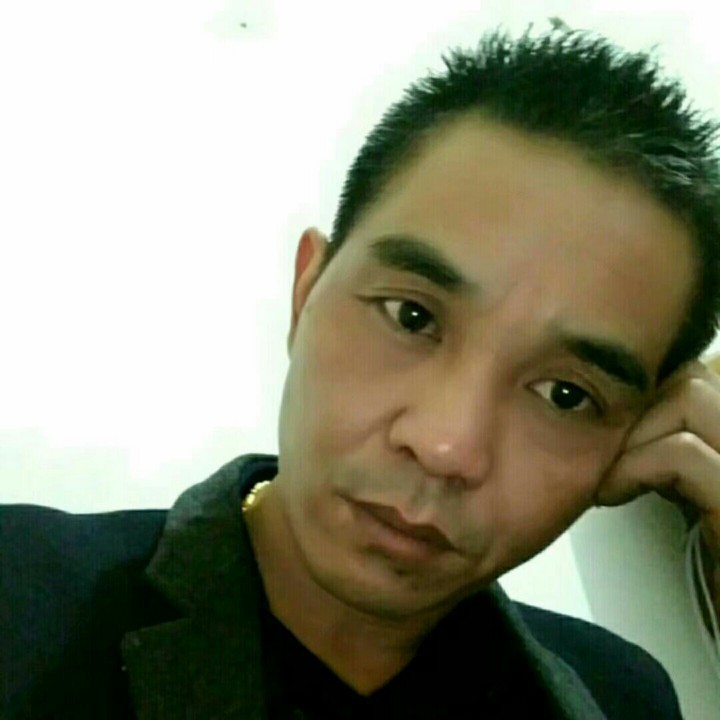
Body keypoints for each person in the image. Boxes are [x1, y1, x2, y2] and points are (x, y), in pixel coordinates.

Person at [3, 25, 720, 720]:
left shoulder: (621, 695)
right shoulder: (23, 596)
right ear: (306, 290)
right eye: (412, 317)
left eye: (566, 395)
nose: (447, 446)